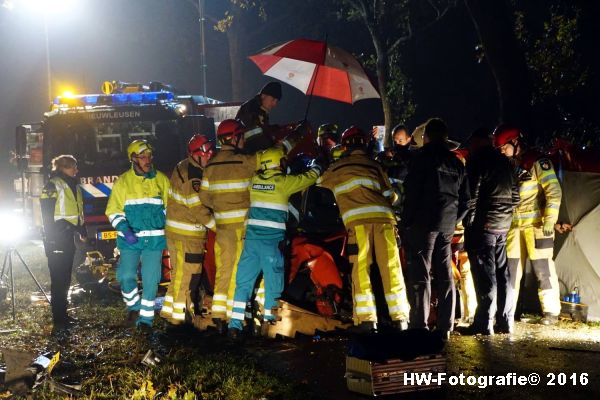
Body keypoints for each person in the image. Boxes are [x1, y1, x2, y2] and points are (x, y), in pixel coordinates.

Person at [317, 126, 410, 332]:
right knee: (391, 269)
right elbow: (392, 197)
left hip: (358, 224)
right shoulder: (375, 166)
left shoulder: (338, 168)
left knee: (361, 270)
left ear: (346, 146)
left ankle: (367, 321)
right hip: (386, 222)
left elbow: (318, 182)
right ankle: (401, 319)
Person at [228, 146, 322, 338]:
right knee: (273, 285)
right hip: (271, 244)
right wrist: (318, 165)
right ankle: (269, 326)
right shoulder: (283, 183)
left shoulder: (254, 181)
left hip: (251, 243)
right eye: (282, 161)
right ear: (277, 163)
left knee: (243, 284)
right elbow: (308, 178)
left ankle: (234, 326)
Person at [401, 118, 470, 339]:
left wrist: (406, 223)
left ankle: (419, 326)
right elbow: (467, 200)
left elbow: (411, 193)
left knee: (421, 274)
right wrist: (453, 219)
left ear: (427, 137)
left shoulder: (421, 158)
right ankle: (445, 327)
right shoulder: (456, 162)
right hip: (447, 225)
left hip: (423, 223)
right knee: (445, 274)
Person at [494, 124, 562, 325]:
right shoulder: (509, 166)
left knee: (543, 269)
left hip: (538, 227)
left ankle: (551, 312)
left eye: (504, 147)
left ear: (515, 142)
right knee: (511, 271)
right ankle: (508, 312)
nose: (502, 151)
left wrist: (550, 219)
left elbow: (553, 190)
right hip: (514, 228)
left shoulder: (538, 162)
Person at [199, 119, 259, 333]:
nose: (243, 140)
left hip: (222, 228)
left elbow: (204, 198)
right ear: (234, 137)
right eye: (241, 136)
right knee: (239, 273)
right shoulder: (246, 161)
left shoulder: (211, 166)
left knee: (223, 271)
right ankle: (236, 320)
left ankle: (218, 315)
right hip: (242, 229)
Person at [105, 140, 170, 331]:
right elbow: (113, 211)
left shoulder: (162, 180)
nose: (147, 160)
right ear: (133, 158)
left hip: (155, 241)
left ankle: (146, 321)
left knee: (151, 281)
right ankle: (134, 307)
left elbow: (170, 209)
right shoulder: (123, 182)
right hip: (129, 240)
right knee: (125, 276)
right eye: (143, 157)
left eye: (149, 156)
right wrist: (125, 230)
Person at [462, 128, 520, 335]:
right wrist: (505, 216)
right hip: (503, 224)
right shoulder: (504, 161)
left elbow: (472, 195)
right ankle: (505, 322)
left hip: (484, 224)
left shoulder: (477, 161)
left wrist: (469, 223)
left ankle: (484, 323)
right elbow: (516, 197)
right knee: (502, 272)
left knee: (485, 275)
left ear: (476, 143)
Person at [160, 134, 215, 325]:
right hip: (188, 236)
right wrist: (219, 226)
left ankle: (169, 313)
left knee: (178, 276)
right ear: (196, 154)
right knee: (188, 277)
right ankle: (180, 320)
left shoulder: (184, 166)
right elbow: (198, 208)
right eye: (206, 153)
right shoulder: (194, 176)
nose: (210, 156)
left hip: (178, 234)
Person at [40, 155, 84, 332]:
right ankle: (59, 321)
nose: (76, 170)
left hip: (68, 238)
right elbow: (46, 214)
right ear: (63, 168)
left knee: (65, 278)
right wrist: (52, 237)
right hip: (57, 239)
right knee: (58, 280)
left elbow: (77, 211)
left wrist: (82, 231)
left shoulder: (73, 185)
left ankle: (63, 316)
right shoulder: (52, 185)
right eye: (73, 167)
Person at [235, 81, 282, 153]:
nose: (274, 104)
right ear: (263, 95)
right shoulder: (252, 111)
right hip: (249, 156)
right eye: (273, 100)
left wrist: (277, 129)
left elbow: (262, 130)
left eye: (276, 101)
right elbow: (257, 139)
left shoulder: (260, 109)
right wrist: (273, 146)